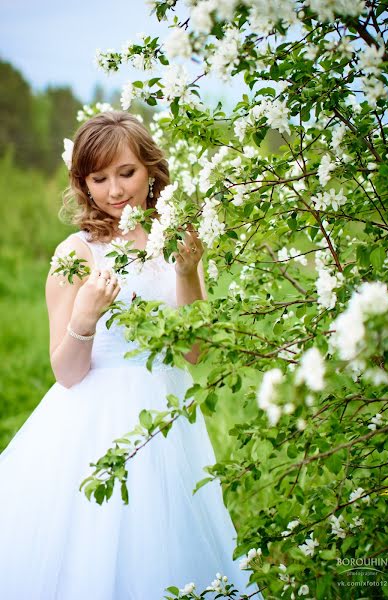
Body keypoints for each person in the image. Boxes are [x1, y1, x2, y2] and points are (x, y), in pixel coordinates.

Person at [0, 111, 259, 599]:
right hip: (94, 421)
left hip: (166, 417)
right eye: (99, 178)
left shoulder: (173, 240)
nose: (115, 190)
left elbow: (195, 351)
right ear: (83, 182)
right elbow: (67, 373)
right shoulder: (76, 253)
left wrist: (187, 273)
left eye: (127, 173)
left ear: (151, 170)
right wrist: (85, 318)